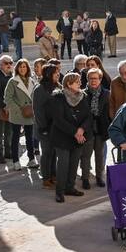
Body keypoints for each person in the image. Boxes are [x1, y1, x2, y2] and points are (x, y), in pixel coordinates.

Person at [47, 72, 91, 202]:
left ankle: (70, 187)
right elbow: (59, 120)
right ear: (68, 84)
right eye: (77, 82)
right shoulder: (58, 97)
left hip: (78, 137)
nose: (80, 84)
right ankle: (59, 191)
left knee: (74, 164)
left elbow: (88, 116)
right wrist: (75, 132)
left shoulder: (83, 96)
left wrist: (82, 130)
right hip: (62, 137)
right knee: (63, 164)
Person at [4, 58, 39, 170]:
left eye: (24, 66)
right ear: (17, 68)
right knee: (15, 138)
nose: (22, 69)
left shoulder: (32, 80)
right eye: (20, 67)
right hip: (17, 113)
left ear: (27, 68)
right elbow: (8, 98)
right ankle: (15, 161)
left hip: (29, 112)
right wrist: (17, 109)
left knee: (30, 137)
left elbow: (35, 96)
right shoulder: (12, 81)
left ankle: (31, 159)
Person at [80, 68, 110, 189]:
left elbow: (110, 111)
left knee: (99, 154)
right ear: (87, 80)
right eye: (90, 78)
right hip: (87, 128)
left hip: (101, 127)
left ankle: (99, 177)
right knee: (86, 155)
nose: (93, 81)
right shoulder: (82, 94)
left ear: (100, 79)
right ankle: (85, 178)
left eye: (95, 78)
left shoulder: (107, 93)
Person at [33, 64, 62, 188]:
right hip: (44, 128)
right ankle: (46, 177)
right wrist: (43, 128)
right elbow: (38, 110)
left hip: (55, 127)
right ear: (49, 75)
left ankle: (53, 175)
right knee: (46, 153)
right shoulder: (39, 89)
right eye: (56, 73)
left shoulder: (57, 86)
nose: (58, 75)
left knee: (54, 152)